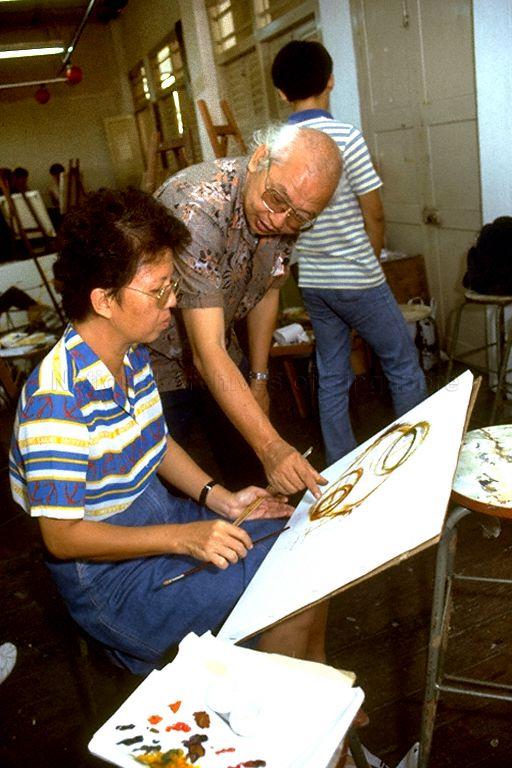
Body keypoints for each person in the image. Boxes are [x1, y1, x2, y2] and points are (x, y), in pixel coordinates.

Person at [9, 188, 328, 676]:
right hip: (111, 581)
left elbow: (153, 442)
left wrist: (223, 500)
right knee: (290, 576)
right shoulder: (56, 401)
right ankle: (287, 705)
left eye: (171, 284)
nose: (173, 300)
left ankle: (319, 691)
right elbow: (63, 538)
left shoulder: (130, 354)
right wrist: (185, 537)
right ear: (104, 300)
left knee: (303, 536)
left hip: (157, 520)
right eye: (159, 289)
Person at [150, 123, 342, 496]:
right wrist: (271, 447)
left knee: (253, 480)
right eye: (277, 200)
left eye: (299, 217)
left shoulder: (287, 206)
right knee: (165, 490)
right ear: (259, 158)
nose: (279, 220)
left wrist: (259, 379)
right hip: (155, 362)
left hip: (220, 348)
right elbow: (206, 352)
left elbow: (267, 291)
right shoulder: (197, 207)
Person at [271, 41, 427, 464]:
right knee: (402, 364)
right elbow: (374, 213)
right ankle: (417, 462)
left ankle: (338, 464)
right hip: (359, 277)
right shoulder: (346, 137)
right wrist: (370, 263)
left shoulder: (278, 145)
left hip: (314, 282)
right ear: (330, 81)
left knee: (332, 374)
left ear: (282, 93)